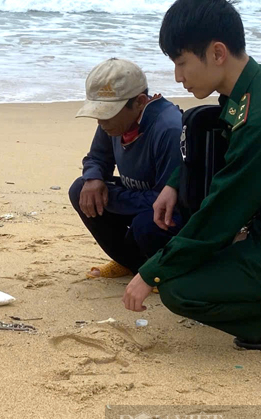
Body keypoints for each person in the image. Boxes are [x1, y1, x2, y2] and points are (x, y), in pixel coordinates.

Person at [123, 0, 261, 351]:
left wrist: (151, 272)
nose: (178, 77)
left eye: (182, 63)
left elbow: (222, 211)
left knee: (178, 289)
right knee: (183, 264)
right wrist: (173, 182)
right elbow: (224, 155)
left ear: (216, 53)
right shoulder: (252, 88)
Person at [68, 58, 183, 280]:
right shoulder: (112, 123)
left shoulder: (168, 128)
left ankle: (163, 272)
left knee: (146, 224)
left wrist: (111, 198)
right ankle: (130, 263)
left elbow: (167, 200)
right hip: (139, 199)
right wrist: (93, 178)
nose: (100, 120)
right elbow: (97, 157)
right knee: (81, 189)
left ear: (139, 102)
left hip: (169, 213)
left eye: (108, 112)